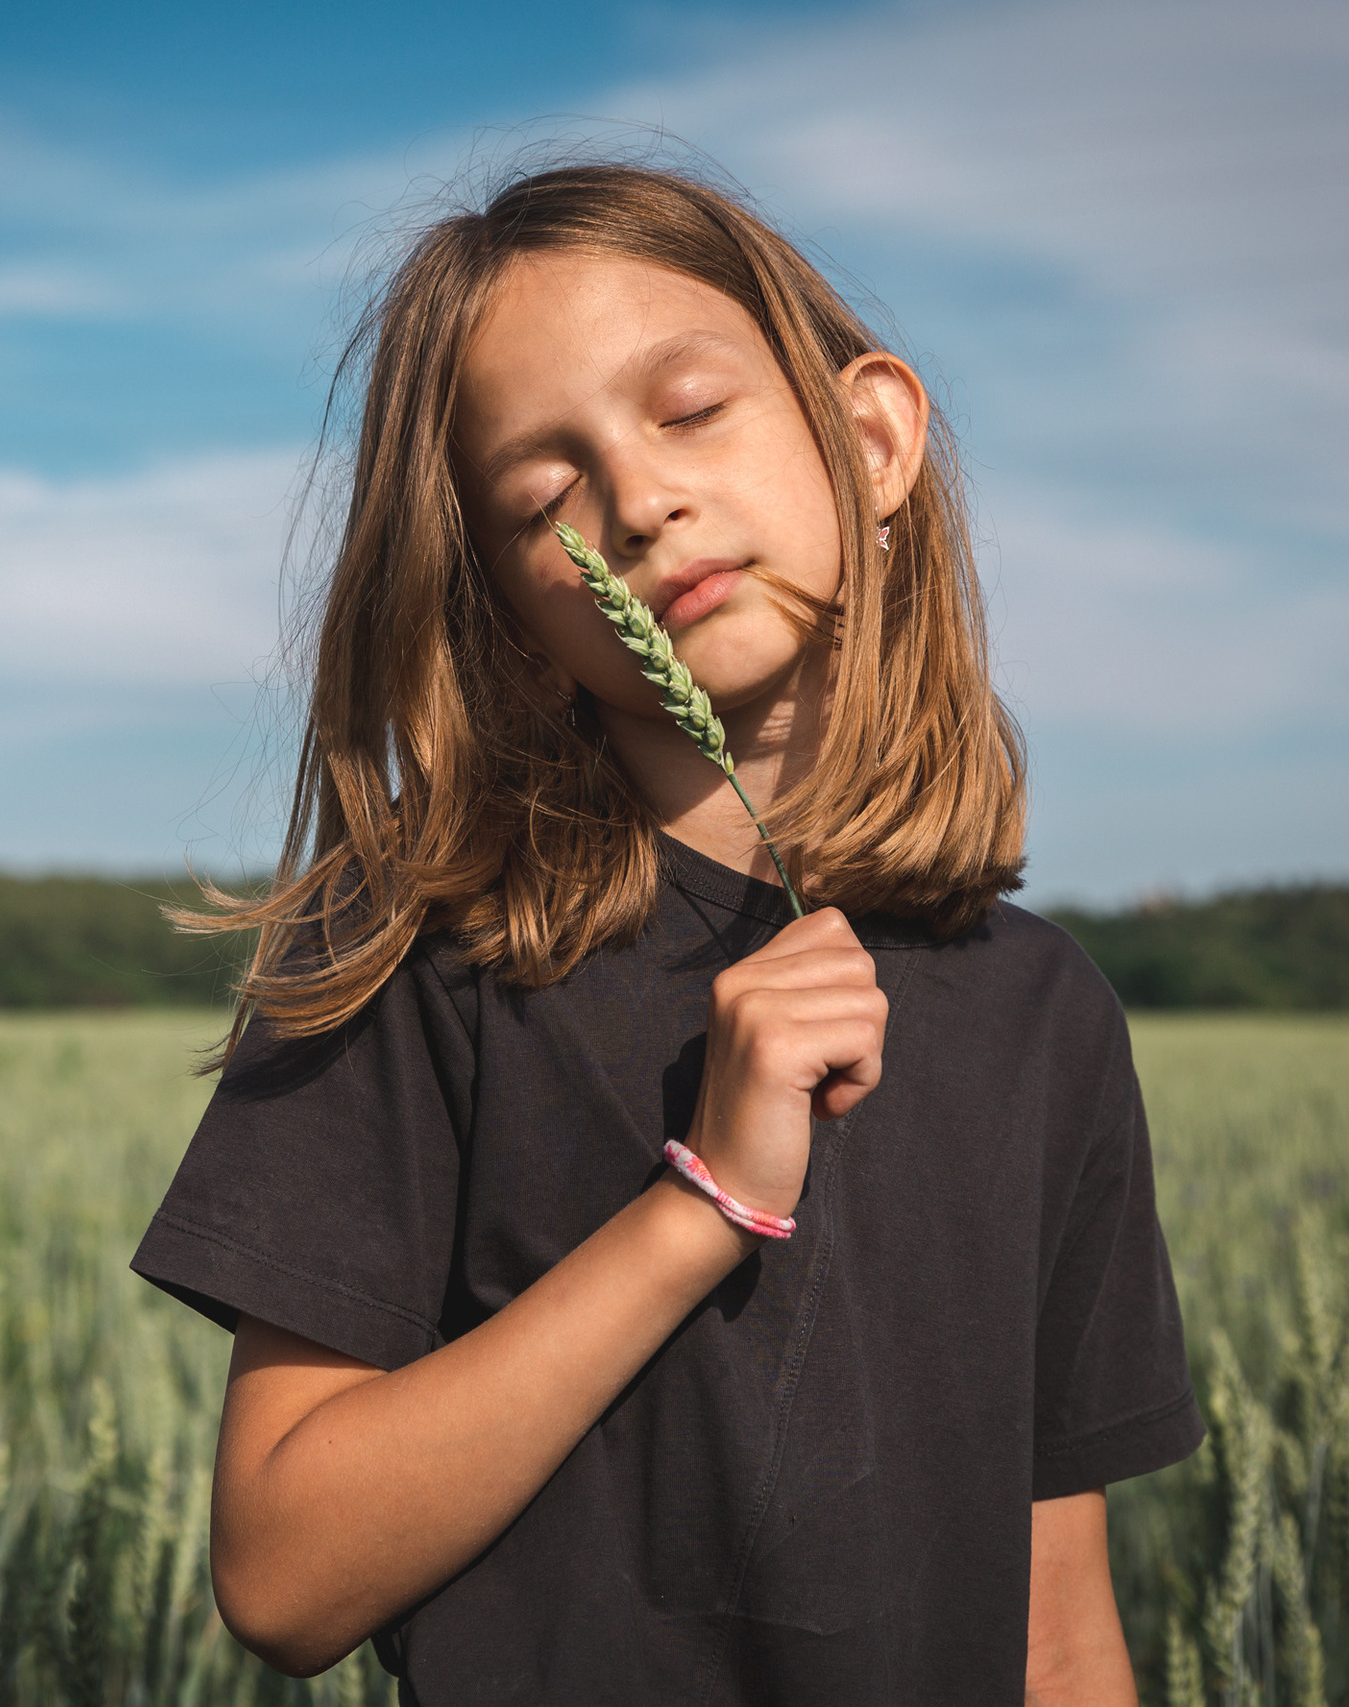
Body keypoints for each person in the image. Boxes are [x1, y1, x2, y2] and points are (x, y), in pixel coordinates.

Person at [131, 160, 1201, 1704]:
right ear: (503, 604)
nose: (637, 501)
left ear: (877, 439)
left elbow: (1057, 1628)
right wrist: (702, 1202)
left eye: (690, 411)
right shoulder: (422, 950)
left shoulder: (1045, 1014)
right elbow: (284, 1576)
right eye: (540, 498)